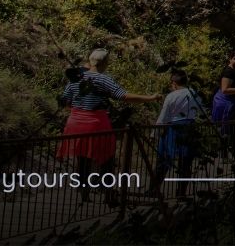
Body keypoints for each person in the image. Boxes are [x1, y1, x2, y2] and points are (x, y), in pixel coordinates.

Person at [57, 48, 159, 197]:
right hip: (95, 123)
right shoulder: (104, 79)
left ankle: (83, 190)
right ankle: (106, 189)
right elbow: (123, 96)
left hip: (75, 122)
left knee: (83, 156)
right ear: (104, 62)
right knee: (107, 155)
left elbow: (65, 99)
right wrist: (150, 98)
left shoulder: (76, 77)